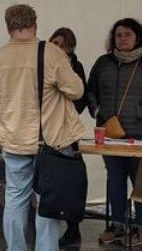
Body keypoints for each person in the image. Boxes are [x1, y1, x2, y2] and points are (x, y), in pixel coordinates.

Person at [0, 5, 85, 251]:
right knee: (47, 203)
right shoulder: (51, 53)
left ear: (8, 26)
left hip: (14, 141)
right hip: (50, 142)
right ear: (35, 23)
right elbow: (77, 90)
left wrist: (1, 123)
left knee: (15, 200)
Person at [86, 18, 142, 247]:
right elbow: (90, 89)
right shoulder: (103, 63)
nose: (122, 39)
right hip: (110, 134)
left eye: (127, 34)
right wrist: (97, 110)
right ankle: (117, 225)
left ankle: (140, 228)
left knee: (141, 183)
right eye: (118, 35)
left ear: (138, 37)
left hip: (141, 134)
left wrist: (140, 111)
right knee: (115, 180)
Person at [49, 27, 89, 248]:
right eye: (54, 42)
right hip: (47, 130)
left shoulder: (76, 67)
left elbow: (81, 101)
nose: (57, 48)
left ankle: (73, 228)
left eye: (61, 44)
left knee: (71, 182)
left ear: (70, 48)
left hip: (67, 131)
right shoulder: (44, 63)